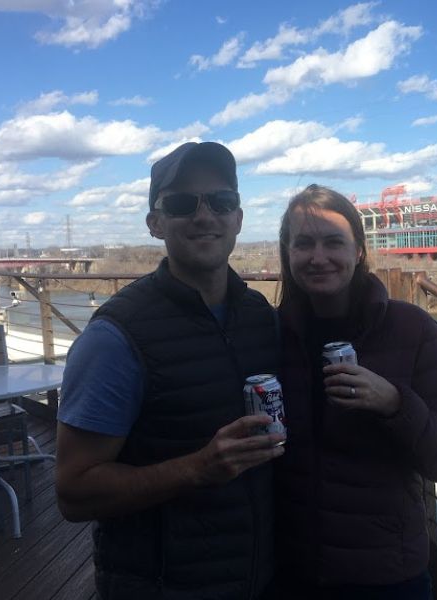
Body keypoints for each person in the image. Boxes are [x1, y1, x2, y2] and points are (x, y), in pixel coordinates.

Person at [55, 141, 285, 599]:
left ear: (238, 218)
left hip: (260, 580)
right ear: (156, 224)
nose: (205, 216)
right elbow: (74, 492)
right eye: (182, 203)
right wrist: (197, 468)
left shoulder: (259, 315)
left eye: (221, 201)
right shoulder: (114, 339)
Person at [271, 184, 437, 599]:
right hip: (288, 573)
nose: (318, 257)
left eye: (334, 242)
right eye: (304, 244)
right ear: (287, 252)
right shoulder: (269, 335)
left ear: (359, 251)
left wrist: (395, 403)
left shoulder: (413, 330)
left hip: (386, 576)